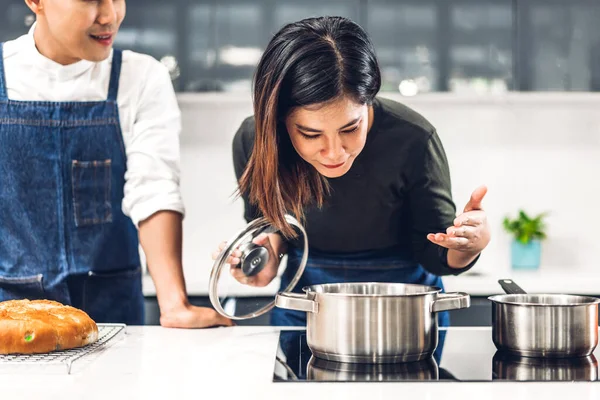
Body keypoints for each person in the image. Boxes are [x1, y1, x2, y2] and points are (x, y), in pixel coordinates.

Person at [213, 16, 491, 327]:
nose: (334, 152)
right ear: (278, 119)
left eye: (350, 128)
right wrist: (265, 260)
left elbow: (437, 254)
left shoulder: (413, 138)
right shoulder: (256, 141)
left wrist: (470, 247)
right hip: (305, 304)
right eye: (310, 134)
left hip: (404, 308)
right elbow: (273, 229)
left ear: (368, 100)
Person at [0, 0, 232, 328]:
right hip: (9, 316)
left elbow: (153, 188)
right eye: (90, 1)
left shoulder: (140, 77)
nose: (109, 16)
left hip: (110, 314)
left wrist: (175, 304)